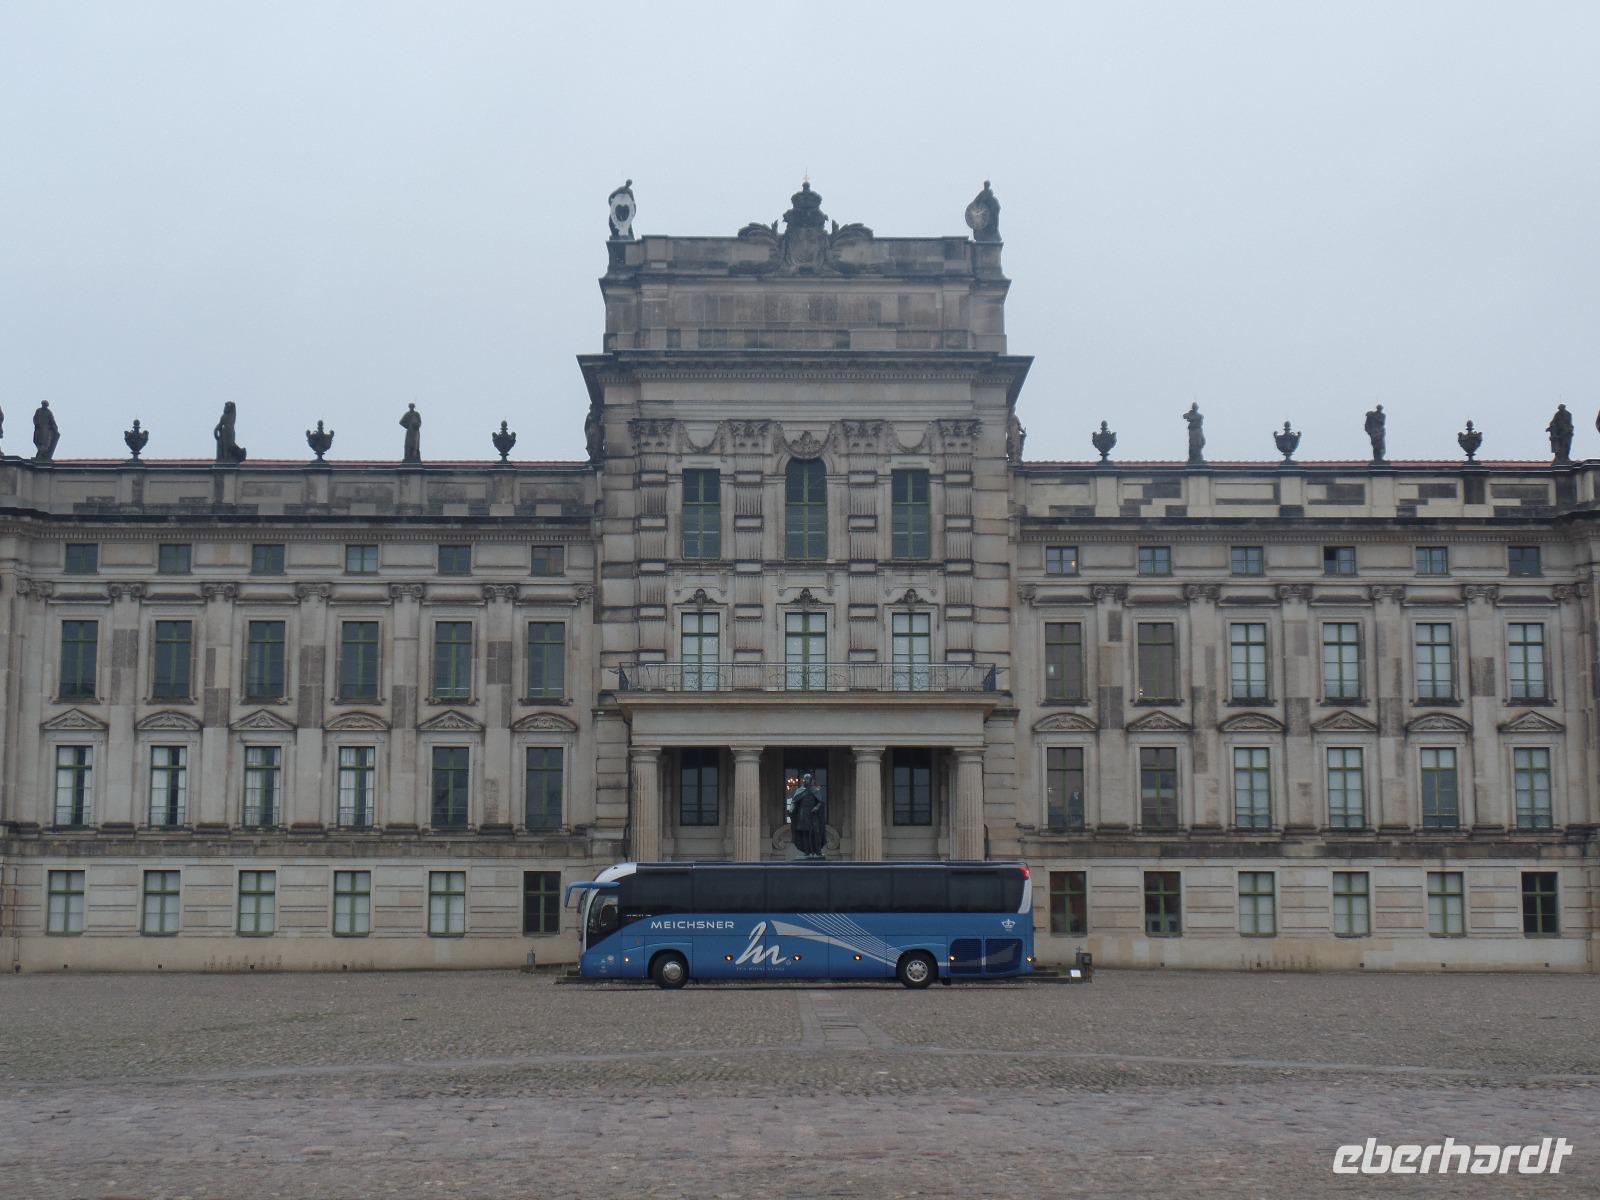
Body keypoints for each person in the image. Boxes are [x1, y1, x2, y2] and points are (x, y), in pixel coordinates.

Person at [786, 772, 827, 858]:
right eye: (805, 779)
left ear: (811, 780)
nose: (806, 781)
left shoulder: (815, 790)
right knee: (804, 833)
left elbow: (820, 801)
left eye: (808, 779)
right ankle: (806, 851)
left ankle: (818, 851)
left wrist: (816, 807)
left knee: (816, 832)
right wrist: (791, 809)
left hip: (813, 815)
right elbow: (794, 801)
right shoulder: (799, 790)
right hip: (803, 814)